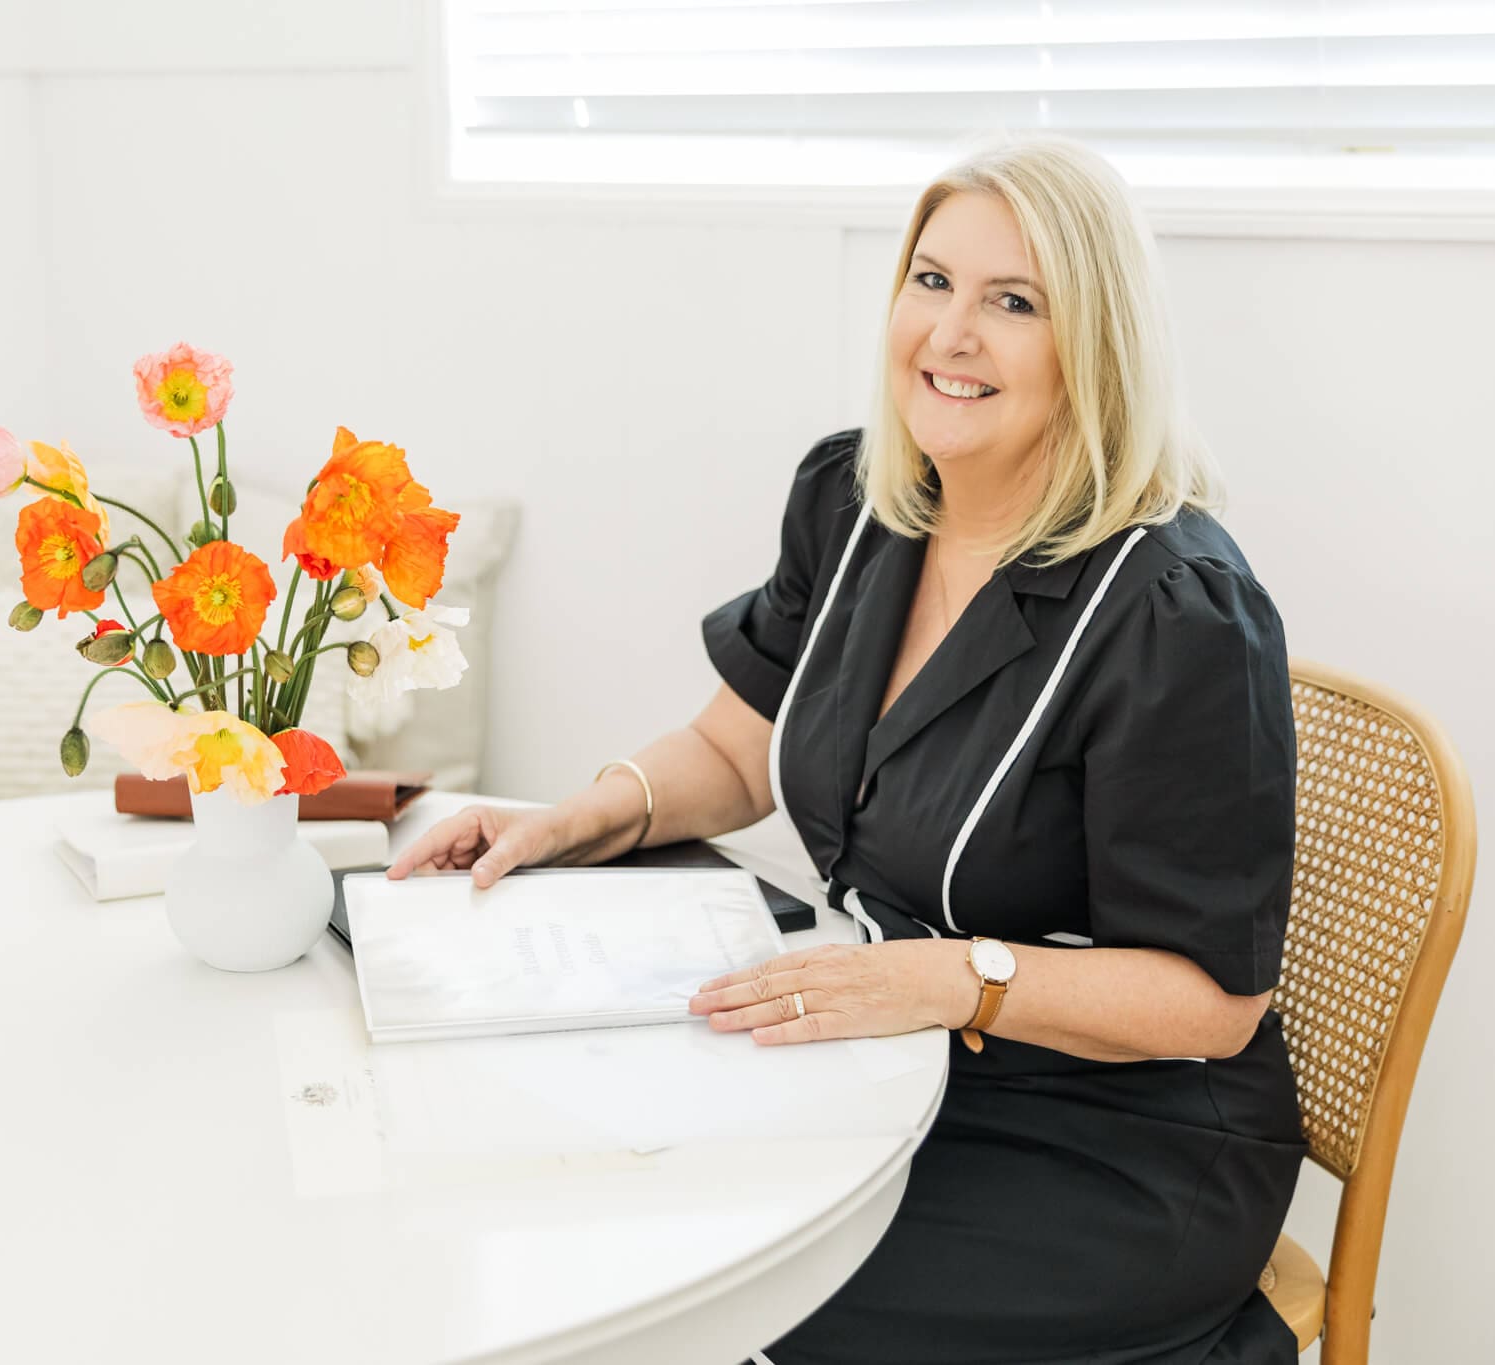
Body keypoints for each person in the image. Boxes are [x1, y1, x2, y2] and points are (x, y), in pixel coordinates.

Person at [387, 135, 1306, 1365]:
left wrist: (949, 978)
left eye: (1012, 302)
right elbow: (738, 739)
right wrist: (579, 816)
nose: (950, 335)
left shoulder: (1171, 612)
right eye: (930, 282)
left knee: (710, 1287)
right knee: (570, 1181)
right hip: (898, 1063)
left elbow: (1212, 1003)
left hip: (1113, 1141)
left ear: (1094, 345)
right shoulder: (858, 501)